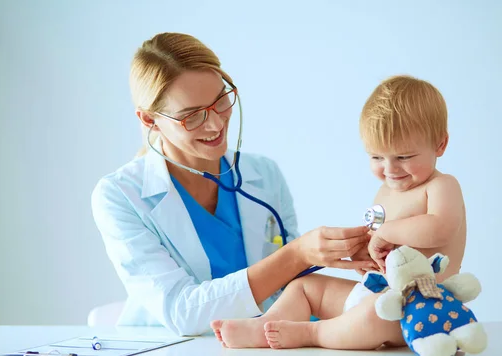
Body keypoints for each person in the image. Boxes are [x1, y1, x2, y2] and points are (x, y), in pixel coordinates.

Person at [90, 32, 375, 336]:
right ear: (149, 120)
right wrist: (296, 254)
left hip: (261, 349)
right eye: (192, 116)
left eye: (219, 101)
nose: (215, 124)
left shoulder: (264, 174)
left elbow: (289, 285)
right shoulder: (119, 196)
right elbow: (181, 311)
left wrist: (342, 252)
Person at [211, 75, 467, 350]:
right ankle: (266, 324)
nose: (390, 169)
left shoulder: (441, 186)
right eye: (377, 157)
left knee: (372, 315)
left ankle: (312, 333)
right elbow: (382, 251)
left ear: (440, 145)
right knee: (304, 286)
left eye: (403, 157)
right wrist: (365, 255)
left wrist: (386, 233)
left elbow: (441, 226)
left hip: (418, 309)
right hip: (376, 293)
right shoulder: (385, 192)